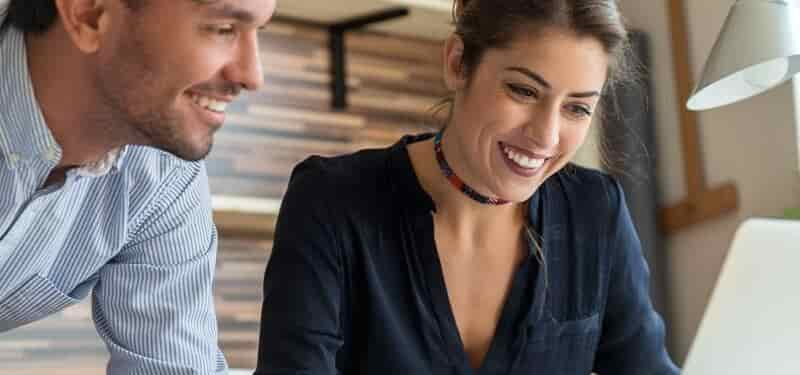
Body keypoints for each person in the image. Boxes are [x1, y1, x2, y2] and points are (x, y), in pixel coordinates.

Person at [255, 0, 679, 374]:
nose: (546, 136)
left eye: (577, 108)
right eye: (523, 90)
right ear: (458, 62)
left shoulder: (595, 210)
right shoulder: (332, 200)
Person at [0, 0, 274, 372]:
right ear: (89, 13)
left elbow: (173, 365)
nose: (252, 76)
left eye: (258, 31)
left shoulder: (164, 176)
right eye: (222, 28)